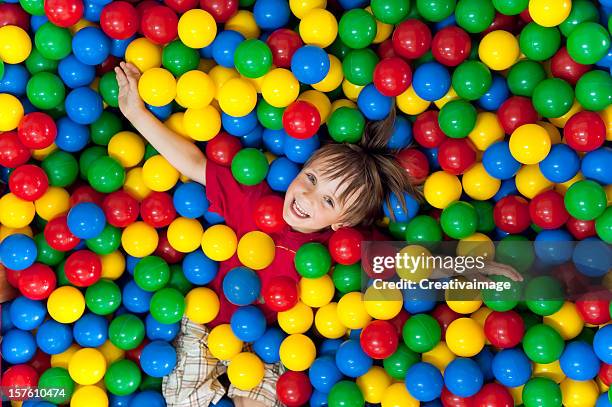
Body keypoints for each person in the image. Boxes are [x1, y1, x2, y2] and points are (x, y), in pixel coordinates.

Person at [113, 62, 521, 407]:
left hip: (275, 344)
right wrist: (137, 114)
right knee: (181, 396)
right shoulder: (257, 203)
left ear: (342, 222)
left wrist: (474, 268)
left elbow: (411, 265)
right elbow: (195, 162)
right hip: (209, 322)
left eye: (328, 201)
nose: (307, 196)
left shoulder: (342, 250)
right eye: (309, 177)